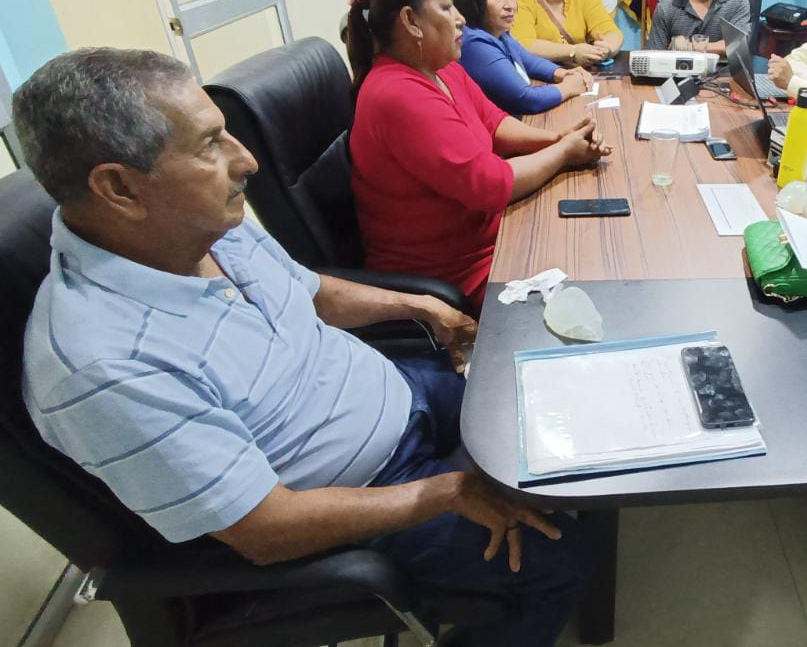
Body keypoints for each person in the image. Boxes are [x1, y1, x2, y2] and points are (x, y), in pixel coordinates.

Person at [13, 48, 589, 647]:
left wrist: (419, 307)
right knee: (558, 562)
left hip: (397, 391)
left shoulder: (192, 225)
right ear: (119, 188)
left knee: (552, 412)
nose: (246, 160)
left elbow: (309, 292)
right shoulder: (102, 365)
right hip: (359, 496)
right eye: (209, 145)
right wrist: (444, 492)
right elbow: (266, 530)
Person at [347, 0, 610, 310]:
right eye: (446, 7)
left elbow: (495, 123)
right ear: (410, 21)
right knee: (594, 283)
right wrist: (563, 153)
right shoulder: (398, 93)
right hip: (455, 275)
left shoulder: (441, 67)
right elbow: (489, 185)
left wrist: (558, 139)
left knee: (593, 250)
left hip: (494, 238)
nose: (460, 18)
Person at [455, 0, 593, 115]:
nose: (510, 5)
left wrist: (565, 73)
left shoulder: (497, 31)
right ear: (473, 0)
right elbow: (527, 99)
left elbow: (529, 61)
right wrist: (570, 86)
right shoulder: (474, 44)